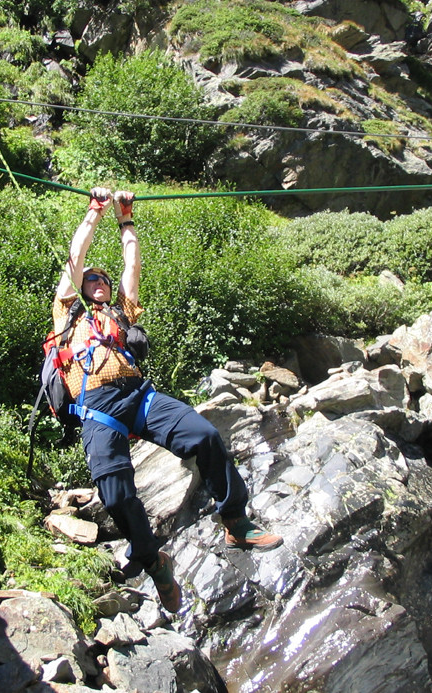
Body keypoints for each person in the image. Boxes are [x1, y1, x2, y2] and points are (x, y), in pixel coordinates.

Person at [52, 187, 282, 613]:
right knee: (116, 495)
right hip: (96, 408)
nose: (100, 283)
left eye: (104, 279)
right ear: (81, 286)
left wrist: (126, 220)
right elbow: (76, 253)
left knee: (205, 435)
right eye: (92, 279)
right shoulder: (68, 310)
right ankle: (153, 560)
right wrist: (94, 212)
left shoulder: (123, 312)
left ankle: (234, 519)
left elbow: (133, 264)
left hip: (138, 395)